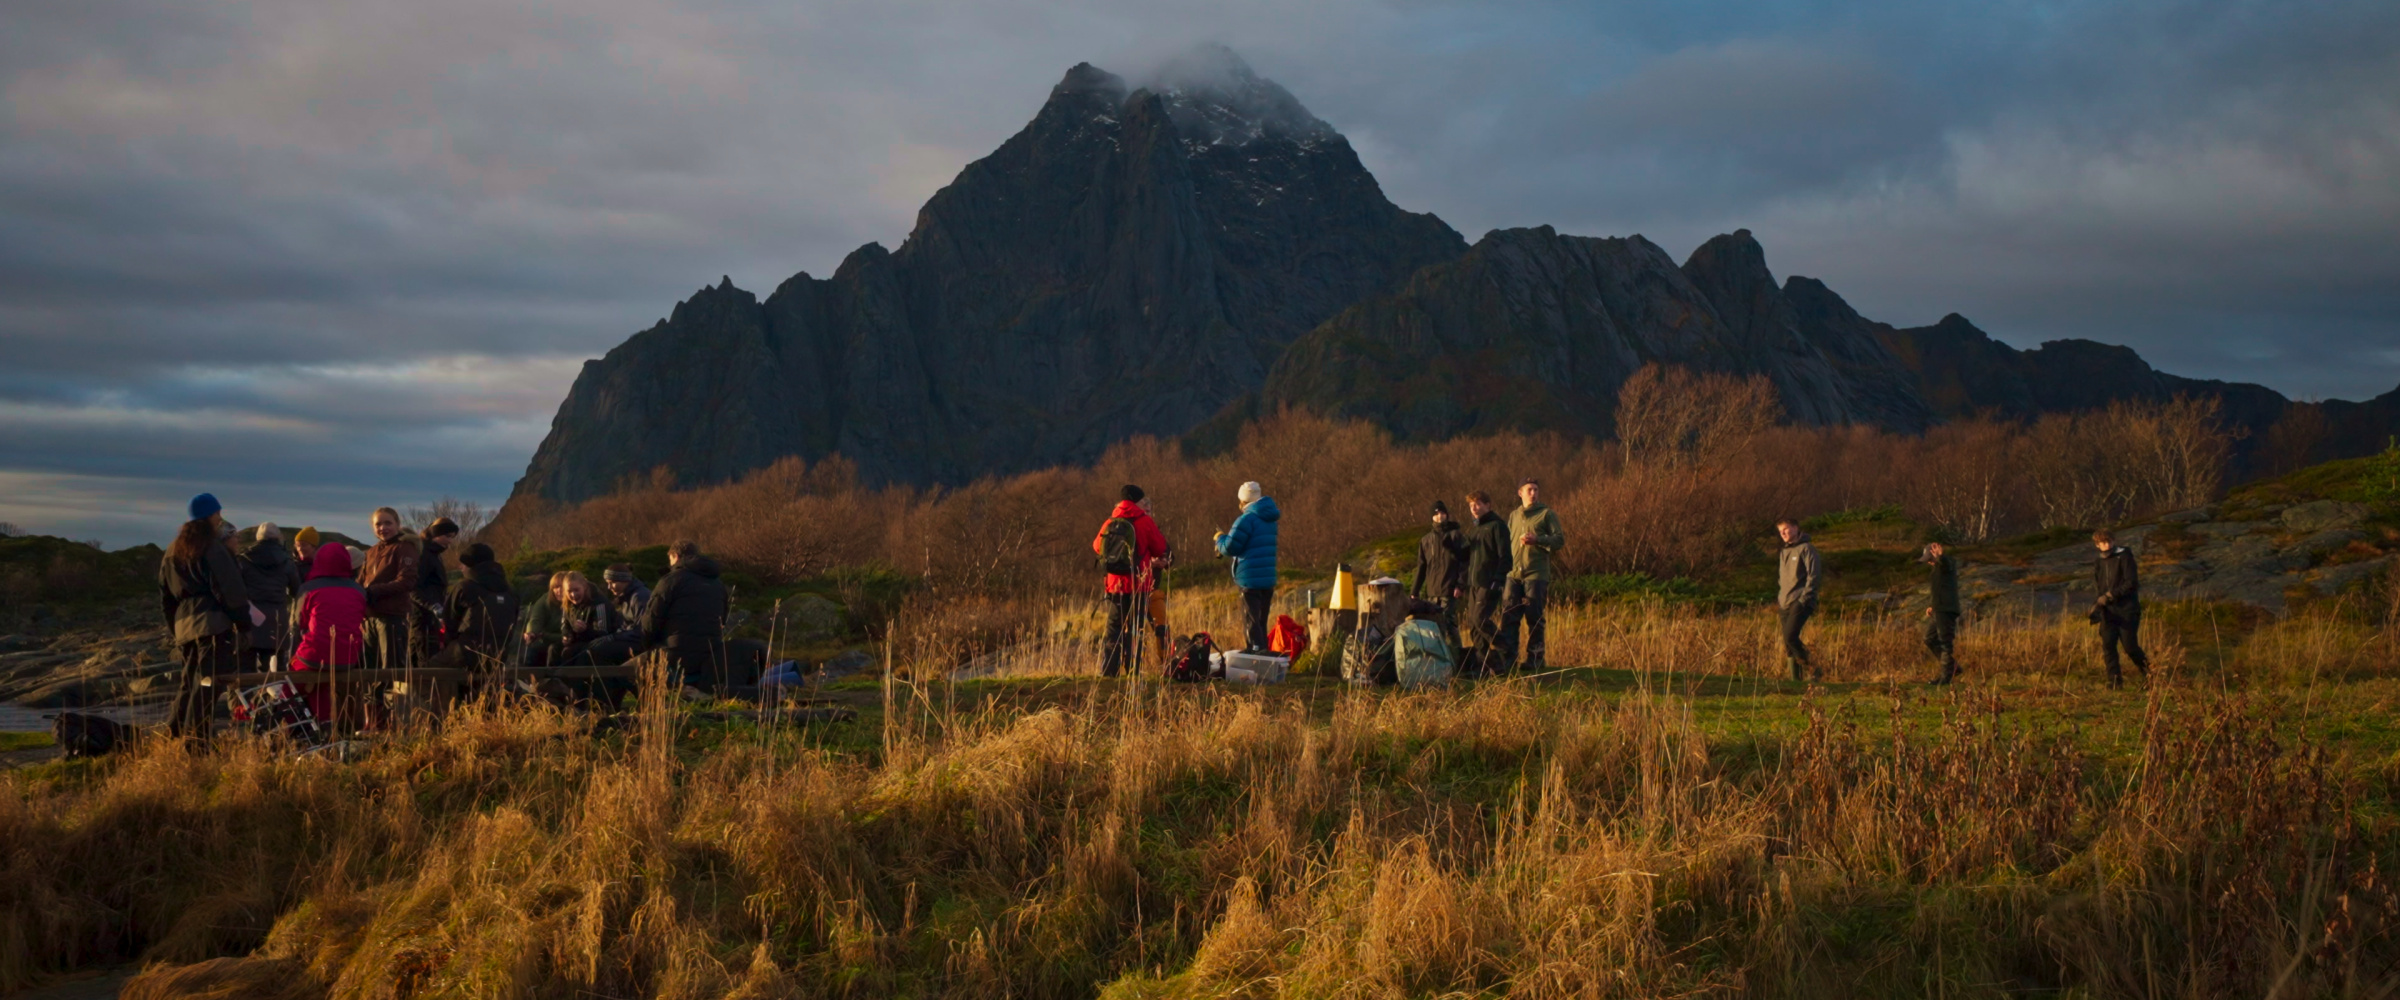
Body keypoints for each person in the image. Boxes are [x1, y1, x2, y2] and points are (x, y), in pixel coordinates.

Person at [158, 493, 257, 740]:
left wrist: (176, 630)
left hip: (184, 626)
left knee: (189, 684)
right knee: (207, 685)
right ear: (209, 516)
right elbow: (228, 589)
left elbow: (166, 597)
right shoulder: (211, 547)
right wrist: (243, 624)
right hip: (212, 625)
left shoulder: (172, 550)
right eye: (217, 514)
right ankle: (197, 743)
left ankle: (173, 734)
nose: (220, 518)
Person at [1094, 485, 1172, 677]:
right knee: (1135, 629)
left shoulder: (1110, 520)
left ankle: (1109, 672)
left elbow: (1097, 546)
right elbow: (1160, 547)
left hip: (1115, 585)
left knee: (1114, 629)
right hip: (1138, 584)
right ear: (1138, 501)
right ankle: (1132, 671)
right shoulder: (1143, 521)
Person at [291, 543, 368, 725]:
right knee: (321, 681)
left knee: (290, 685)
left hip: (314, 655)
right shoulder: (358, 591)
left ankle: (287, 728)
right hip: (347, 657)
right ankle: (327, 725)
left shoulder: (309, 588)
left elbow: (296, 625)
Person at [1496, 479, 1565, 673]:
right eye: (1529, 490)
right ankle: (1508, 660)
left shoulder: (1546, 514)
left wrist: (1538, 540)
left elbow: (1559, 540)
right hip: (1513, 573)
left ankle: (1535, 659)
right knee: (1509, 616)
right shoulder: (1513, 515)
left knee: (1534, 618)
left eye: (1536, 490)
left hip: (1536, 573)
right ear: (1520, 493)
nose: (1533, 493)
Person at [641, 539, 730, 690]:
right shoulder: (718, 584)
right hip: (710, 655)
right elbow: (724, 619)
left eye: (670, 560)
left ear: (675, 556)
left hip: (673, 653)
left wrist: (646, 645)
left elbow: (651, 620)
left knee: (625, 673)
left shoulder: (671, 580)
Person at [1212, 482, 1281, 652]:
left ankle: (1255, 653)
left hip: (1249, 578)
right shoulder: (1270, 519)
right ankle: (1263, 652)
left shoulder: (1246, 519)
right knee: (1261, 620)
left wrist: (1219, 539)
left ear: (1243, 500)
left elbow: (1230, 547)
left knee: (1251, 620)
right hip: (1267, 577)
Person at [355, 507, 422, 671]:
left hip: (392, 616)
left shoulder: (405, 548)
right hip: (370, 617)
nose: (383, 528)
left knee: (391, 669)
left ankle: (393, 697)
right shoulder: (371, 552)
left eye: (388, 523)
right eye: (378, 524)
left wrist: (372, 591)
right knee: (371, 667)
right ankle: (372, 697)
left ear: (397, 524)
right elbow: (361, 581)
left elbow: (407, 581)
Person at [435, 543, 517, 672]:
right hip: (499, 655)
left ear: (471, 565)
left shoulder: (465, 587)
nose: (460, 567)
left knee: (427, 673)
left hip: (466, 652)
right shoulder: (510, 591)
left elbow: (449, 621)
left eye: (463, 564)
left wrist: (447, 645)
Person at [1456, 491, 1510, 676]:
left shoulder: (1498, 526)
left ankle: (1505, 653)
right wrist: (1451, 544)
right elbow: (1465, 556)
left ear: (1488, 505)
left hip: (1489, 582)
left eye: (1478, 504)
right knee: (1473, 624)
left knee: (1480, 619)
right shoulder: (1475, 529)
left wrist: (1499, 579)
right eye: (1471, 505)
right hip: (1474, 583)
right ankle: (1484, 667)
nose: (1474, 508)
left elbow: (1506, 557)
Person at [236, 522, 302, 671]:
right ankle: (273, 694)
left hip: (250, 619)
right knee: (275, 672)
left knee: (245, 670)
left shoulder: (243, 559)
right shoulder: (287, 562)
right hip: (277, 620)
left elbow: (236, 590)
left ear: (258, 537)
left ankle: (246, 694)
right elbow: (296, 590)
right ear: (278, 539)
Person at [2091, 529, 2150, 689]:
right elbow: (2099, 586)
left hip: (2127, 609)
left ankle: (2151, 677)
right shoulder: (2099, 561)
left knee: (2130, 647)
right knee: (2108, 646)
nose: (2106, 544)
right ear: (2097, 545)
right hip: (2108, 611)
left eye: (2109, 541)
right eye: (2103, 542)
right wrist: (2097, 605)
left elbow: (2131, 583)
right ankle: (2114, 682)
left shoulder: (2125, 557)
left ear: (2113, 540)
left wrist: (2110, 596)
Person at [1411, 501, 1467, 650]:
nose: (1439, 516)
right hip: (1431, 591)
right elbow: (1421, 567)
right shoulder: (1425, 541)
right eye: (1436, 514)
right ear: (1432, 517)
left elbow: (1464, 562)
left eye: (1442, 513)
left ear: (1447, 515)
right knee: (1433, 627)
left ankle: (1458, 656)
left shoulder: (1456, 536)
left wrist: (1461, 584)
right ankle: (1439, 659)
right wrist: (1414, 591)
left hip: (1449, 589)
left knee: (1448, 624)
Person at [409, 517, 460, 668]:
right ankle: (423, 690)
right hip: (422, 617)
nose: (450, 541)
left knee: (427, 655)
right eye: (447, 536)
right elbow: (414, 587)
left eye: (452, 537)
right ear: (435, 534)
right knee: (425, 658)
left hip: (430, 616)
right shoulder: (424, 554)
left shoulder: (435, 555)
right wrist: (434, 606)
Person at [1776, 518, 1822, 682]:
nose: (1783, 534)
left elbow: (1814, 576)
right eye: (1780, 531)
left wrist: (1804, 598)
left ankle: (1813, 669)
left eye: (1786, 529)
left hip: (1801, 601)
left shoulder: (1807, 549)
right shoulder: (1784, 552)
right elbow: (1782, 578)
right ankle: (1796, 681)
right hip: (1784, 602)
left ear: (1795, 528)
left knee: (1790, 636)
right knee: (1788, 643)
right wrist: (1781, 597)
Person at [557, 572, 631, 666]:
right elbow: (565, 625)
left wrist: (585, 630)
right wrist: (567, 635)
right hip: (576, 640)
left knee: (570, 653)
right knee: (554, 649)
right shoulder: (567, 604)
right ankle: (548, 678)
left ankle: (572, 679)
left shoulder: (599, 603)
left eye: (576, 590)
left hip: (596, 642)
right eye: (569, 591)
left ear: (584, 586)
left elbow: (603, 633)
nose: (573, 595)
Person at [1921, 542, 1961, 685]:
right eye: (1927, 560)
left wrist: (1940, 557)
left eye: (1930, 559)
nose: (1929, 562)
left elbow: (1947, 565)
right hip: (1939, 609)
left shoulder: (1947, 564)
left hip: (1947, 609)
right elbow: (1940, 589)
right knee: (1929, 638)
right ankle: (1953, 667)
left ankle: (1946, 677)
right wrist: (1933, 605)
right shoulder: (1936, 570)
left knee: (1945, 643)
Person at [521, 571, 575, 667]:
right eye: (555, 587)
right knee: (532, 649)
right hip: (548, 639)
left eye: (561, 587)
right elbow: (535, 619)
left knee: (554, 650)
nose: (558, 591)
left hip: (567, 640)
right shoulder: (545, 600)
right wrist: (531, 632)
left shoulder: (574, 602)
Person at [604, 564, 651, 644]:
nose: (609, 587)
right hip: (628, 638)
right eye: (607, 583)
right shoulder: (625, 596)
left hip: (639, 642)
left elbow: (641, 629)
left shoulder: (640, 596)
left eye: (612, 582)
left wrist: (616, 637)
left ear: (624, 580)